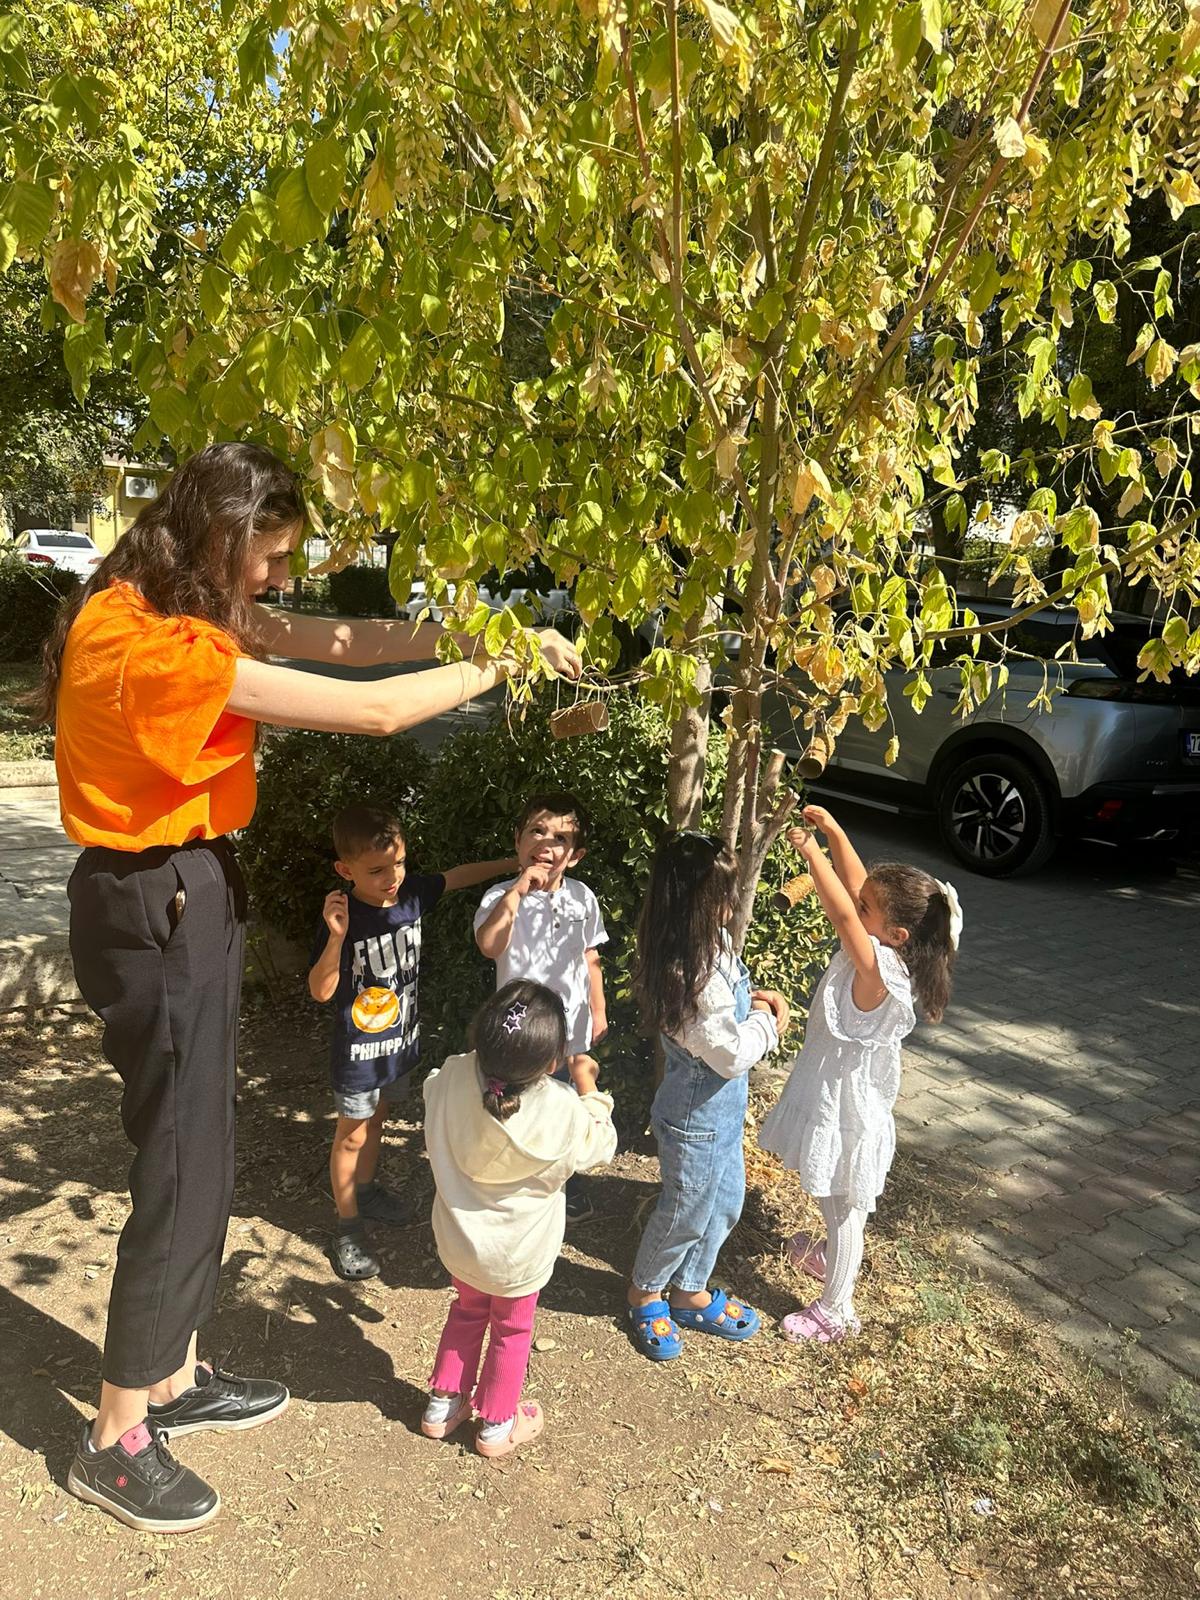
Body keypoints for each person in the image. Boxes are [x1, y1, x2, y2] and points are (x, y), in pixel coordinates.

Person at [40, 441, 581, 1533]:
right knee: (179, 1165)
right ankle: (113, 1435)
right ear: (220, 536)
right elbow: (370, 709)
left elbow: (346, 641)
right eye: (273, 555)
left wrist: (479, 633)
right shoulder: (145, 641)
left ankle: (172, 1377)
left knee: (205, 1151)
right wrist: (502, 669)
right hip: (152, 901)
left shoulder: (175, 599)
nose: (282, 579)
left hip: (187, 887)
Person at [759, 806, 961, 1342]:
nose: (856, 903)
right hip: (842, 1092)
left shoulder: (877, 969)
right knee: (836, 1196)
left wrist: (810, 851)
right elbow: (856, 891)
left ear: (895, 933)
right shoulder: (888, 947)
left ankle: (837, 1309)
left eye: (867, 907)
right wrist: (834, 832)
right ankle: (830, 1258)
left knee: (843, 1206)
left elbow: (844, 913)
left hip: (848, 1104)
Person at [308, 803, 517, 1280]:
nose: (392, 877)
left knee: (378, 1119)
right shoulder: (343, 916)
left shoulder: (411, 895)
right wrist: (337, 938)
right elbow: (321, 991)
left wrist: (512, 864)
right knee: (351, 1134)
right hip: (359, 1055)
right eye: (377, 870)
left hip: (398, 1046)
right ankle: (347, 1227)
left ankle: (366, 1191)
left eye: (399, 863)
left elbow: (456, 876)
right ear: (345, 870)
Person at [420, 981, 616, 1457]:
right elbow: (601, 1146)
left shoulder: (452, 1075)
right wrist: (590, 1089)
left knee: (467, 1310)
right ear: (552, 1063)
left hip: (462, 1243)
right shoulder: (562, 1108)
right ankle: (496, 1425)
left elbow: (432, 1087)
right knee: (511, 1329)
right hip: (520, 1256)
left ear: (481, 1036)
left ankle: (442, 1406)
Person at [626, 831, 791, 1362]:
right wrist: (767, 1021)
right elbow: (729, 1055)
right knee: (685, 1212)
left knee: (723, 1203)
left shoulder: (709, 945)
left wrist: (754, 1001)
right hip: (693, 1121)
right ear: (693, 904)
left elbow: (725, 1017)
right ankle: (645, 1292)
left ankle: (690, 1289)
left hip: (721, 1115)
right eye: (723, 894)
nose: (732, 903)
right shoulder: (686, 972)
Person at [473, 792, 608, 1222]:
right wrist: (517, 891)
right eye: (536, 831)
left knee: (565, 1105)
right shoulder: (498, 897)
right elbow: (489, 944)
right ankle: (512, 1181)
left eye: (561, 839)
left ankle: (567, 1182)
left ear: (576, 856)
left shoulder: (583, 897)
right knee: (518, 1105)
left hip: (569, 1030)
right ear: (518, 840)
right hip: (518, 1032)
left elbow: (590, 956)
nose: (546, 844)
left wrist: (599, 1010)